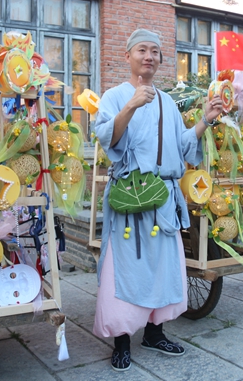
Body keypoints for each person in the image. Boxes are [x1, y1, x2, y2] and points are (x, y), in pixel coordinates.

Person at [93, 29, 223, 371]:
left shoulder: (167, 102)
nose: (148, 56)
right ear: (128, 56)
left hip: (163, 199)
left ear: (161, 59)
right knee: (126, 269)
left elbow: (181, 146)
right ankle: (122, 341)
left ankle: (155, 332)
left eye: (154, 51)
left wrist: (205, 120)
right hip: (130, 198)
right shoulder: (114, 96)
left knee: (163, 268)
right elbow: (108, 139)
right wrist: (131, 105)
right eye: (141, 50)